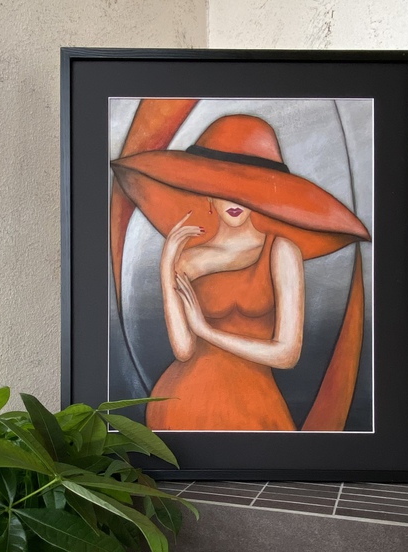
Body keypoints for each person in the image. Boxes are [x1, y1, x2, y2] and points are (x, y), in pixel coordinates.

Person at [111, 112, 370, 430]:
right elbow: (183, 350)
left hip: (256, 407)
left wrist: (208, 332)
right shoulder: (187, 258)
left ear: (263, 193)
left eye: (246, 186)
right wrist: (166, 267)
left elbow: (287, 354)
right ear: (206, 190)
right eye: (223, 185)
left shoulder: (281, 251)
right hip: (182, 403)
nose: (234, 198)